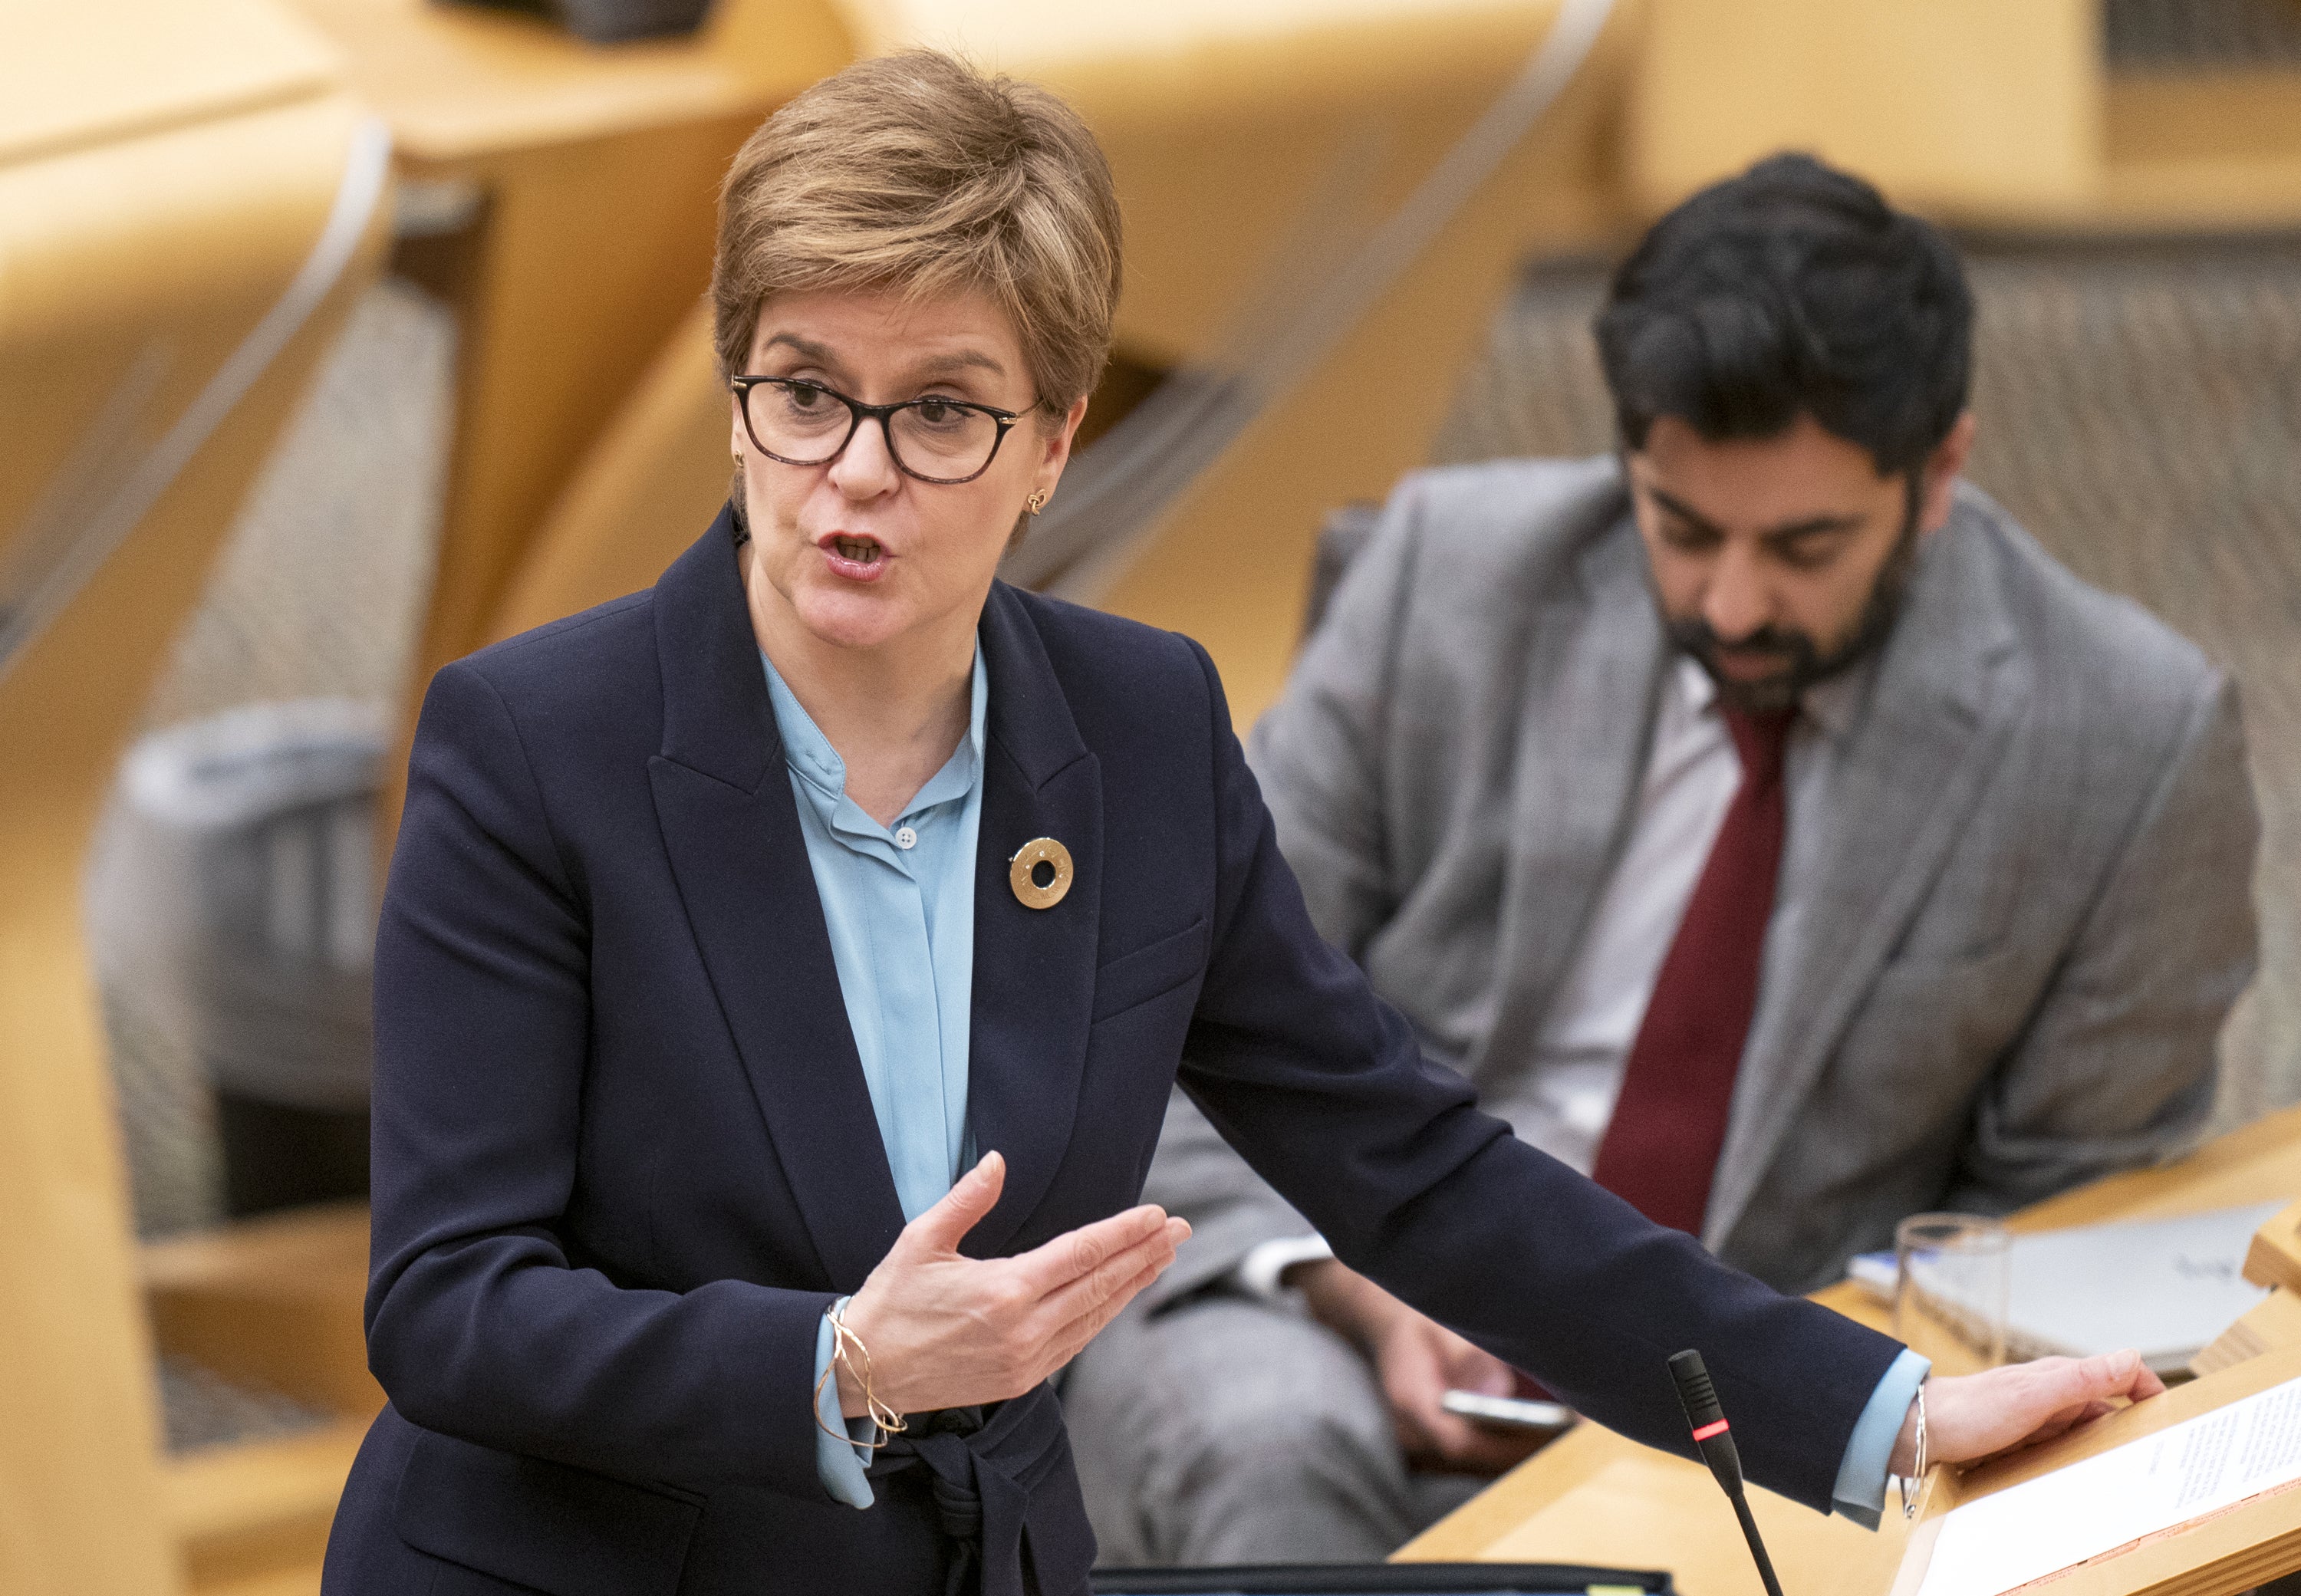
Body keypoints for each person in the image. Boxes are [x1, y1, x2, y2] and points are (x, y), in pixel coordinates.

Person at [320, 69, 2164, 1594]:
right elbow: (450, 1306)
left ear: (1057, 442)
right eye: (803, 393)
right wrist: (840, 1365)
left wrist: (1885, 1414)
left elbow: (1417, 1173)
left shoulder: (1139, 732)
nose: (856, 471)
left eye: (943, 412)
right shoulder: (531, 745)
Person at [1064, 152, 2261, 1568]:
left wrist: (1786, 1386)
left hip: (1786, 1359)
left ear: (1939, 472)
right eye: (1682, 529)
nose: (1735, 599)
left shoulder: (2126, 738)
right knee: (1273, 1458)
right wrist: (1359, 1285)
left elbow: (2062, 1242)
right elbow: (1188, 1028)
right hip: (1331, 1279)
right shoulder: (1449, 579)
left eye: (1805, 544)